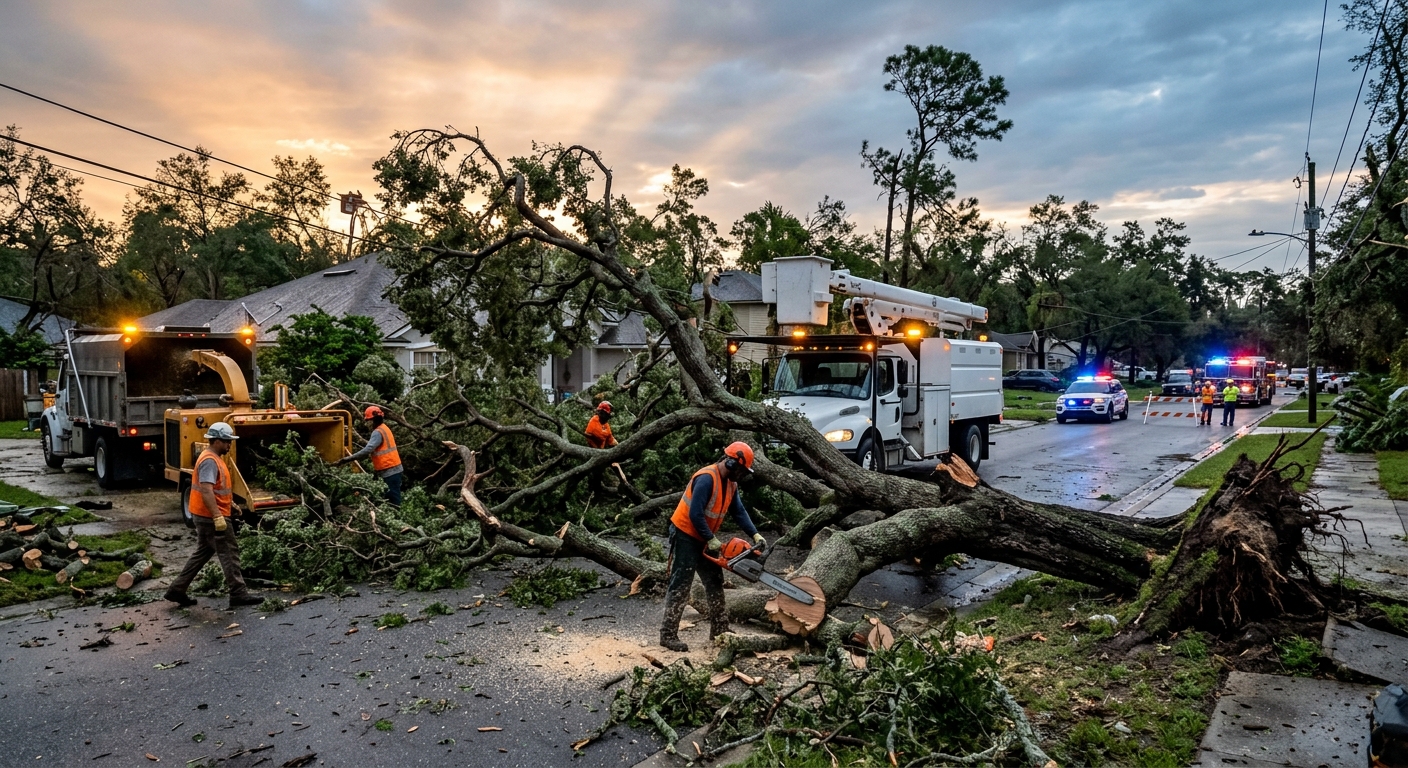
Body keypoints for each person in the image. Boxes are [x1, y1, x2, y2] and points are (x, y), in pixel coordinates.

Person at [660, 442, 767, 652]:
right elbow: (695, 514)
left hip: (704, 536)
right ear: (730, 462)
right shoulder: (706, 478)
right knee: (681, 582)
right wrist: (710, 538)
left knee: (715, 580)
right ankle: (668, 634)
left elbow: (739, 511)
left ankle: (719, 629)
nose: (743, 475)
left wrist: (754, 533)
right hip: (685, 534)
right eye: (742, 471)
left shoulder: (731, 483)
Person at [165, 422, 262, 609]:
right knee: (230, 553)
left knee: (203, 552)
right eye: (227, 442)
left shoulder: (213, 458)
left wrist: (230, 504)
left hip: (204, 514)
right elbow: (206, 490)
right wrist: (218, 516)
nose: (229, 445)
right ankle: (239, 593)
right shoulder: (210, 460)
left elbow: (217, 489)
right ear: (216, 441)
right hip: (211, 516)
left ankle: (176, 590)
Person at [338, 406, 403, 505]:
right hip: (393, 468)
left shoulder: (377, 432)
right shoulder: (384, 428)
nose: (367, 424)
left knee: (393, 499)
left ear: (374, 420)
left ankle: (396, 518)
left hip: (389, 470)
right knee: (390, 497)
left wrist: (348, 459)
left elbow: (368, 449)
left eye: (368, 421)